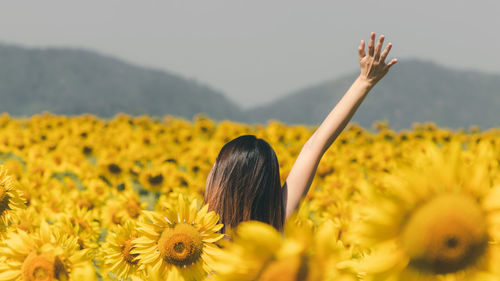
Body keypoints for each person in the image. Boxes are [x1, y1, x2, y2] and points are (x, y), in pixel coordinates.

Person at [204, 32, 398, 234]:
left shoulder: (194, 241)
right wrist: (364, 82)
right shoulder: (275, 225)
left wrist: (364, 83)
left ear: (225, 181)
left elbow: (314, 148)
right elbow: (313, 148)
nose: (210, 171)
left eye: (217, 164)